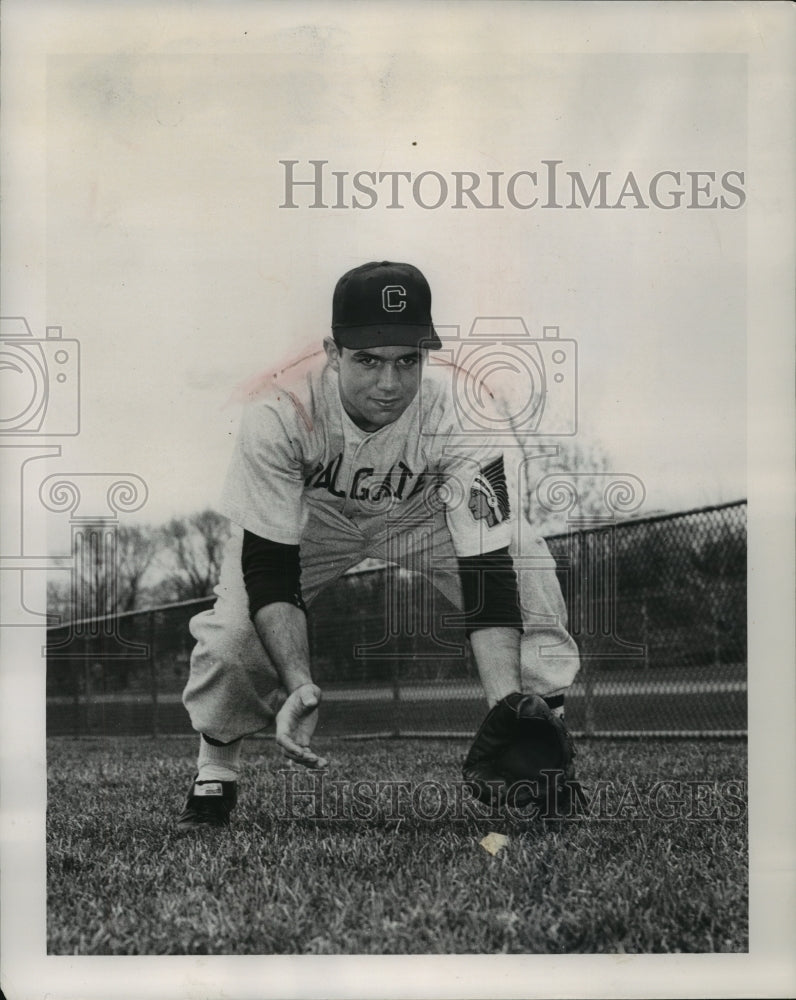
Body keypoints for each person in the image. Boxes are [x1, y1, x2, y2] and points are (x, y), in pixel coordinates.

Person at [177, 260, 580, 829]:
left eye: (406, 361)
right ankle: (216, 769)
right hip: (313, 516)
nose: (389, 384)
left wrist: (504, 703)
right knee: (237, 630)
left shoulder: (467, 408)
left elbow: (487, 571)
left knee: (526, 562)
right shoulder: (279, 409)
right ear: (333, 351)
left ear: (426, 356)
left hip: (422, 511)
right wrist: (298, 682)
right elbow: (269, 564)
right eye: (367, 360)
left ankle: (540, 741)